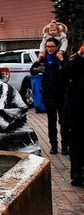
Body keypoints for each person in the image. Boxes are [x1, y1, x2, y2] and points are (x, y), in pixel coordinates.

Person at [30, 37, 68, 155]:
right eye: (47, 46)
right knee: (51, 122)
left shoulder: (62, 59)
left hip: (61, 95)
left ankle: (65, 146)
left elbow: (68, 72)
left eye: (52, 46)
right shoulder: (43, 60)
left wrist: (61, 60)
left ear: (57, 47)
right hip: (48, 95)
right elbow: (33, 71)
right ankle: (54, 146)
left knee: (64, 121)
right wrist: (38, 60)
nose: (49, 49)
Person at [61, 41, 84, 186]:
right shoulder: (75, 62)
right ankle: (77, 174)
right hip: (76, 112)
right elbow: (62, 77)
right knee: (76, 145)